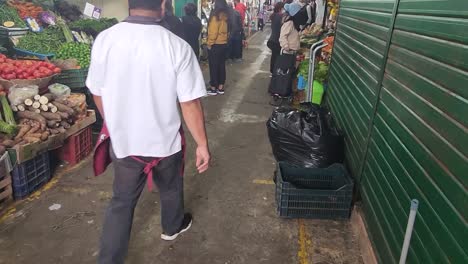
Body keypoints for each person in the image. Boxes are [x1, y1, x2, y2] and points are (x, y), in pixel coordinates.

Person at [87, 0, 210, 263]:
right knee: (170, 187)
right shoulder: (176, 46)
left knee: (121, 203)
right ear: (163, 5)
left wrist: (117, 121)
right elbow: (189, 103)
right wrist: (202, 144)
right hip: (165, 144)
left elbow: (97, 92)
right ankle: (172, 227)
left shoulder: (105, 40)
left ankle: (109, 260)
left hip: (125, 143)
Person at [207, 0, 230, 96]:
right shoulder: (226, 16)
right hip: (223, 44)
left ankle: (213, 88)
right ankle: (220, 87)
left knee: (213, 66)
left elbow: (213, 32)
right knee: (221, 65)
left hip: (215, 45)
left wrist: (209, 43)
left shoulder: (215, 17)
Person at [267, 2, 284, 74]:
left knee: (274, 56)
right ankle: (274, 72)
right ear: (280, 9)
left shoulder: (274, 15)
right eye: (283, 8)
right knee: (276, 57)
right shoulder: (280, 16)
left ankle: (273, 71)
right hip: (276, 41)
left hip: (272, 40)